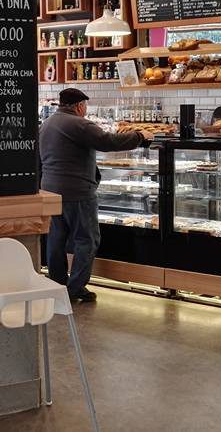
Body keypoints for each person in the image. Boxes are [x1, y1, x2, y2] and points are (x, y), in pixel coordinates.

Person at [39, 88, 154, 302]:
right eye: (85, 106)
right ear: (79, 106)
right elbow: (109, 142)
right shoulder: (79, 124)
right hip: (77, 192)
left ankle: (57, 284)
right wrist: (139, 136)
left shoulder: (47, 124)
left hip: (50, 191)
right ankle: (76, 288)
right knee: (87, 239)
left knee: (56, 239)